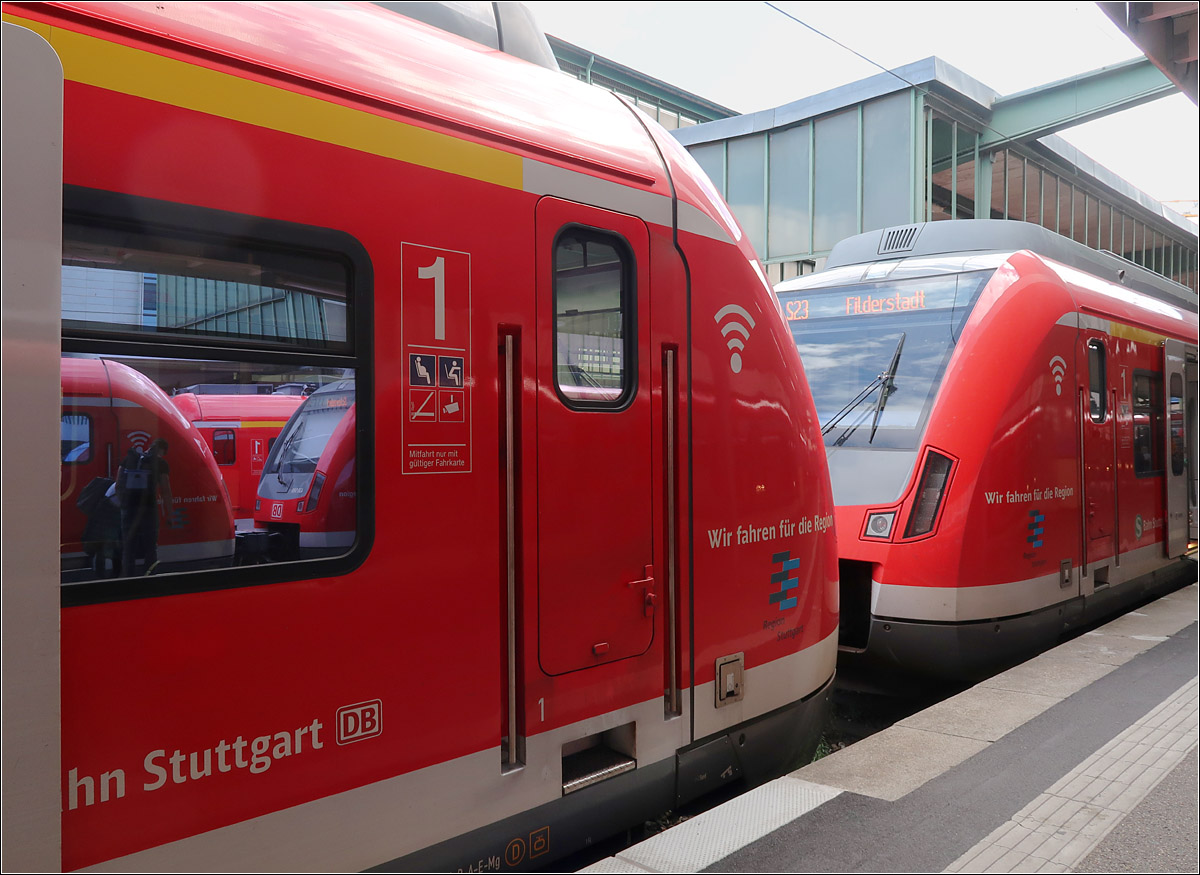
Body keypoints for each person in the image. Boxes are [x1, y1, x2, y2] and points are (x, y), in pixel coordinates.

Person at [116, 438, 174, 576]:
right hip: (148, 509)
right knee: (150, 547)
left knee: (128, 547)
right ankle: (149, 578)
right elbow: (166, 491)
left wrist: (124, 505)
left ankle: (128, 579)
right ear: (162, 450)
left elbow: (118, 485)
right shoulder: (160, 463)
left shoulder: (128, 459)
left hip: (128, 509)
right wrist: (170, 514)